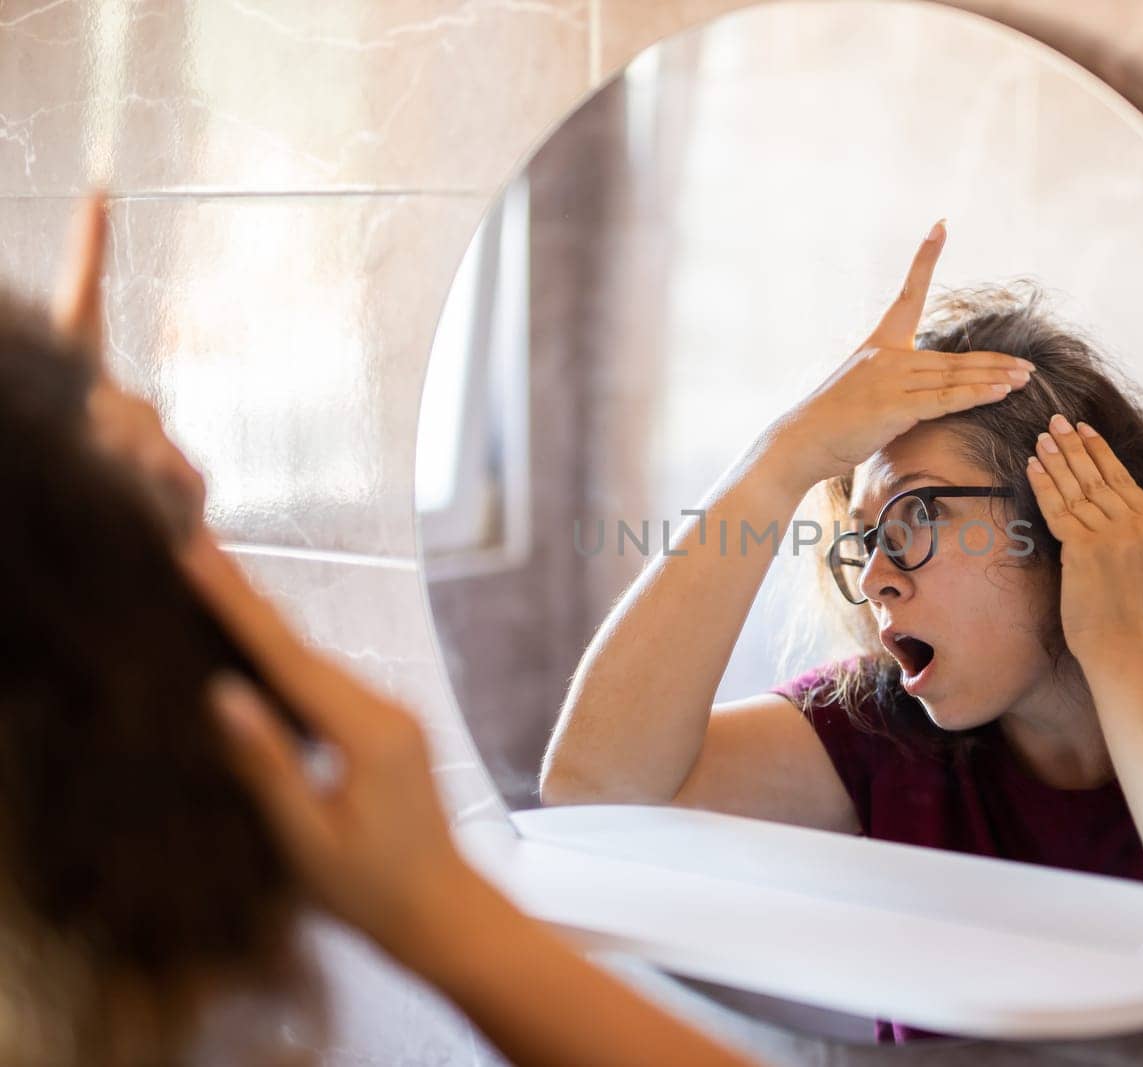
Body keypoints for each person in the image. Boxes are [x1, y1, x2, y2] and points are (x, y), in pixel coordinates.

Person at [0, 194, 757, 1067]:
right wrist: (442, 911)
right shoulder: (850, 722)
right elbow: (598, 777)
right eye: (177, 535)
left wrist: (66, 506)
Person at [542, 220, 1143, 907]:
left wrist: (1122, 647)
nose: (874, 578)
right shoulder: (883, 732)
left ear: (1071, 517)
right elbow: (593, 791)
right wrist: (780, 459)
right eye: (863, 539)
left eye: (916, 514)